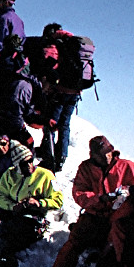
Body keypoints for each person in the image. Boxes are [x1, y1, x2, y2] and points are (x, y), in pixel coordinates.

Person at [42, 136, 134, 267]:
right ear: (93, 155)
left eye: (107, 153)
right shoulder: (86, 168)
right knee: (74, 243)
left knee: (116, 250)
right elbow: (79, 194)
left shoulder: (126, 166)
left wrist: (133, 194)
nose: (105, 157)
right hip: (94, 215)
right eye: (101, 154)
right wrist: (99, 198)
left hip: (118, 218)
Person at [0, 143, 63, 267]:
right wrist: (12, 206)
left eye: (31, 160)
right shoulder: (10, 174)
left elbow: (58, 200)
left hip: (33, 219)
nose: (29, 165)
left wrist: (39, 203)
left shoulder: (46, 175)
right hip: (13, 214)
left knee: (4, 234)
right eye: (24, 163)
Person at [35, 23, 80, 172]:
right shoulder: (71, 45)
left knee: (51, 124)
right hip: (75, 92)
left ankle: (49, 158)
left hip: (59, 91)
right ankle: (61, 157)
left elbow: (48, 69)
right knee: (64, 124)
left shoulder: (53, 47)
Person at [0, 0, 25, 65]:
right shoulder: (19, 20)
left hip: (4, 59)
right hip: (17, 60)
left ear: (5, 2)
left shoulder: (4, 18)